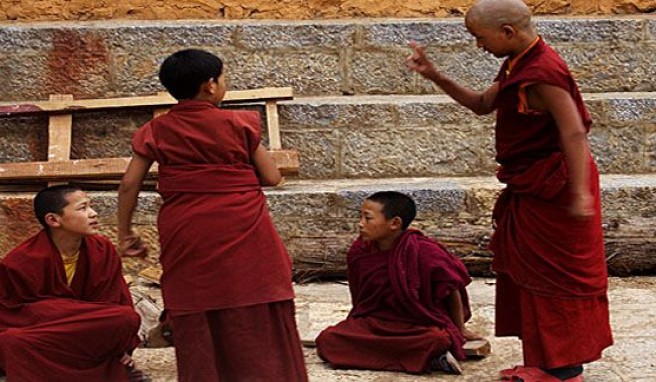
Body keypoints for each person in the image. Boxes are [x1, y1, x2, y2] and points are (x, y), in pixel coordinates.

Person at [406, 0, 612, 380]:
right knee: (530, 272)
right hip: (535, 185)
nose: (478, 46)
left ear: (507, 32)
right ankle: (545, 361)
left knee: (557, 277)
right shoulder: (519, 62)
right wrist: (435, 76)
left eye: (479, 38)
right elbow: (483, 104)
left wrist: (581, 193)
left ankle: (565, 370)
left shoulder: (544, 73)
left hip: (558, 187)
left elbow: (574, 131)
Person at [117, 48, 308, 381]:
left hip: (187, 227)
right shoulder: (238, 123)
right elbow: (272, 177)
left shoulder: (157, 129)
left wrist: (125, 232)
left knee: (198, 304)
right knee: (255, 301)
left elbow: (129, 185)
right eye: (224, 78)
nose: (225, 84)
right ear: (209, 85)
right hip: (242, 223)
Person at [315, 191, 481, 375]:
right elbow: (360, 296)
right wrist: (356, 323)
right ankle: (427, 359)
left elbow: (451, 288)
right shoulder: (360, 252)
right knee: (327, 340)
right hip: (375, 322)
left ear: (394, 223)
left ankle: (424, 354)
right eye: (360, 216)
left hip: (415, 324)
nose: (360, 224)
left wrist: (460, 329)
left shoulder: (424, 251)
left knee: (437, 339)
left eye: (368, 218)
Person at [0, 185, 145, 381]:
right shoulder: (22, 260)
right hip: (45, 334)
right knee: (12, 340)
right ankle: (106, 371)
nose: (93, 213)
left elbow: (115, 300)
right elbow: (10, 314)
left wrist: (122, 347)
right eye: (82, 208)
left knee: (125, 317)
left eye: (90, 207)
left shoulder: (103, 249)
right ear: (53, 220)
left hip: (82, 331)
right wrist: (56, 311)